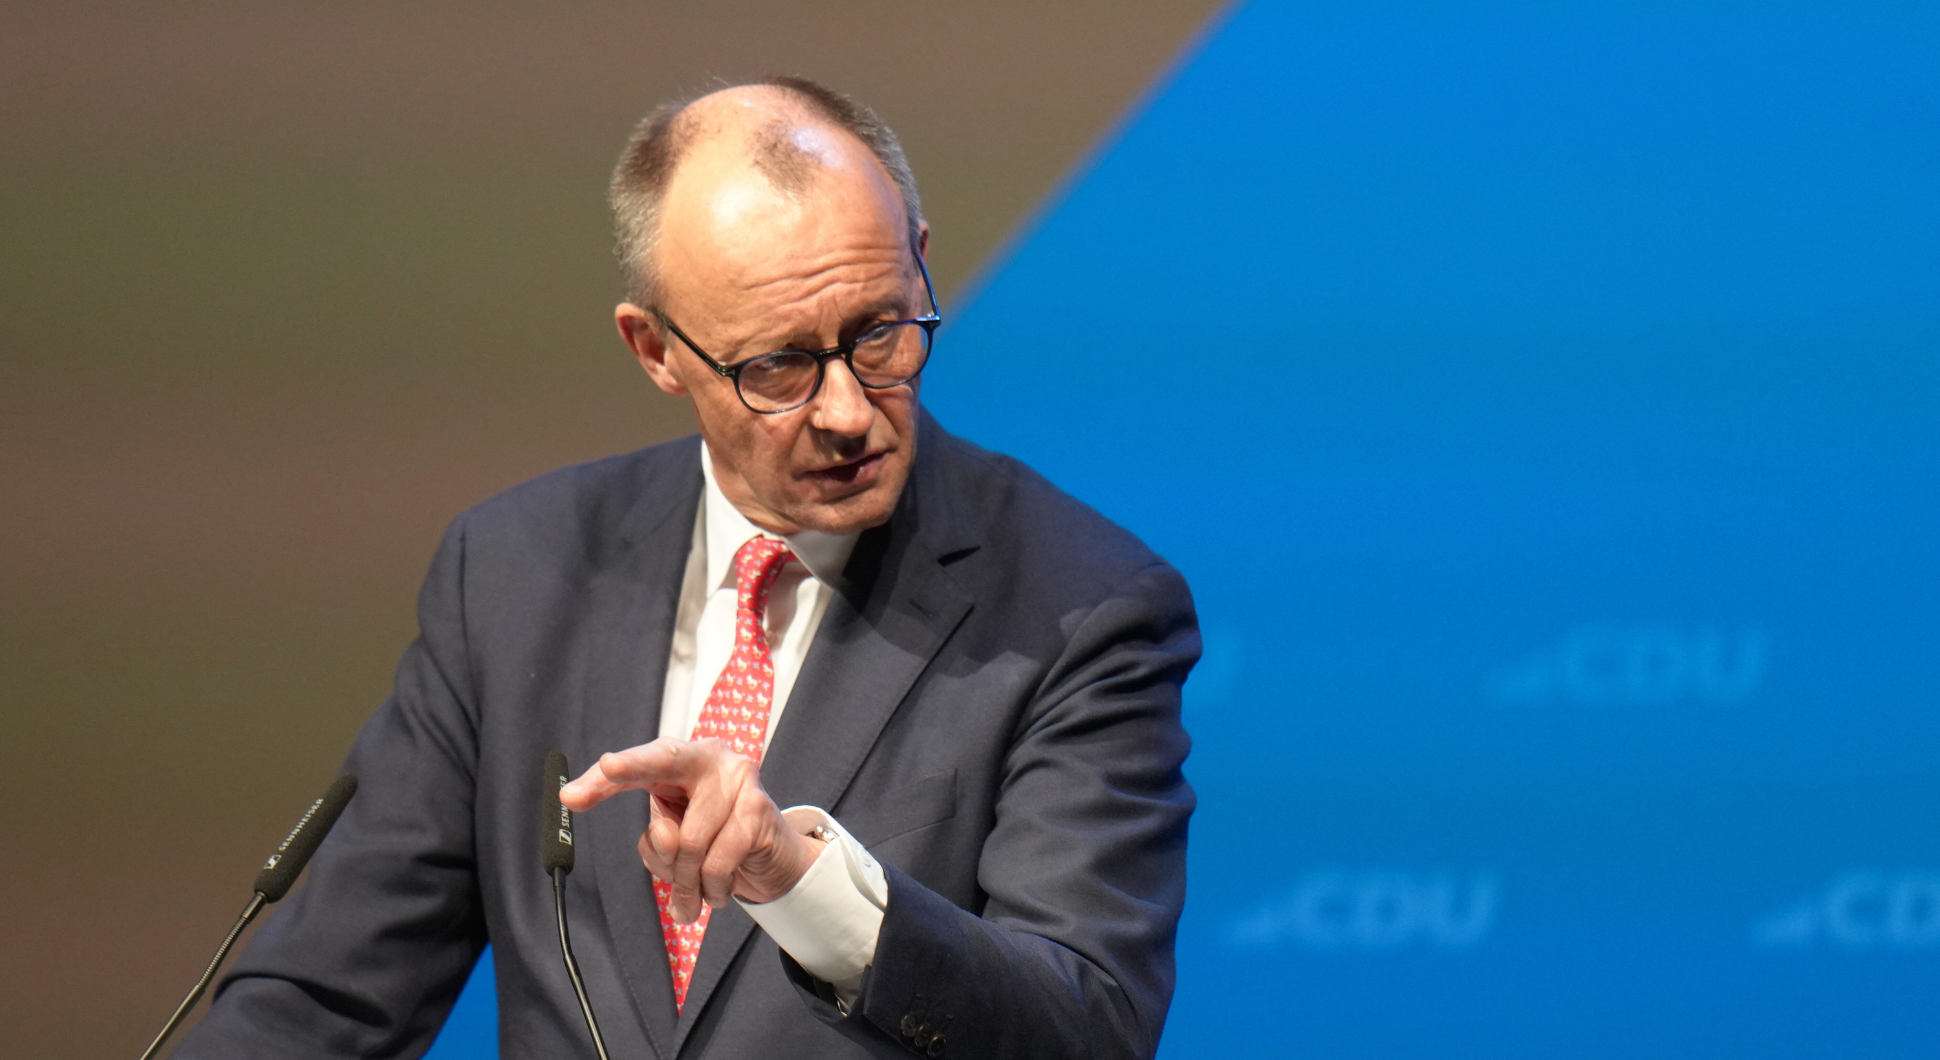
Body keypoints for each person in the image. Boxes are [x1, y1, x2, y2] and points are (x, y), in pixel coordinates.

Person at [176, 77, 1196, 1060]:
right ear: (654, 349)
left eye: (881, 331)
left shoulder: (1079, 605)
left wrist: (801, 881)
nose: (846, 411)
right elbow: (329, 994)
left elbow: (1087, 1025)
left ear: (920, 261)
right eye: (777, 367)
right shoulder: (513, 571)